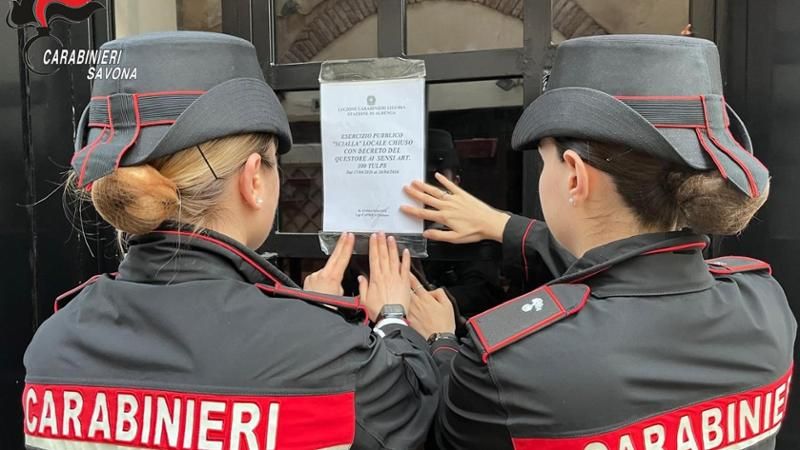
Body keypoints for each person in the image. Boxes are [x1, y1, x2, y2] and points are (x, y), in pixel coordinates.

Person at [22, 32, 438, 450]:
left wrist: (310, 319)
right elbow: (413, 412)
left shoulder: (52, 345)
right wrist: (393, 320)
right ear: (253, 178)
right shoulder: (322, 354)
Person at [402, 35, 797, 449]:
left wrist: (440, 341)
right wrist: (503, 226)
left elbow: (444, 434)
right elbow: (631, 274)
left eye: (546, 160)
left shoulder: (508, 363)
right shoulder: (764, 304)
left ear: (573, 174)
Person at [415, 129, 507, 319]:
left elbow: (484, 292)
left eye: (435, 178)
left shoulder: (473, 226)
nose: (426, 187)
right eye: (420, 177)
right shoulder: (391, 226)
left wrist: (422, 299)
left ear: (455, 182)